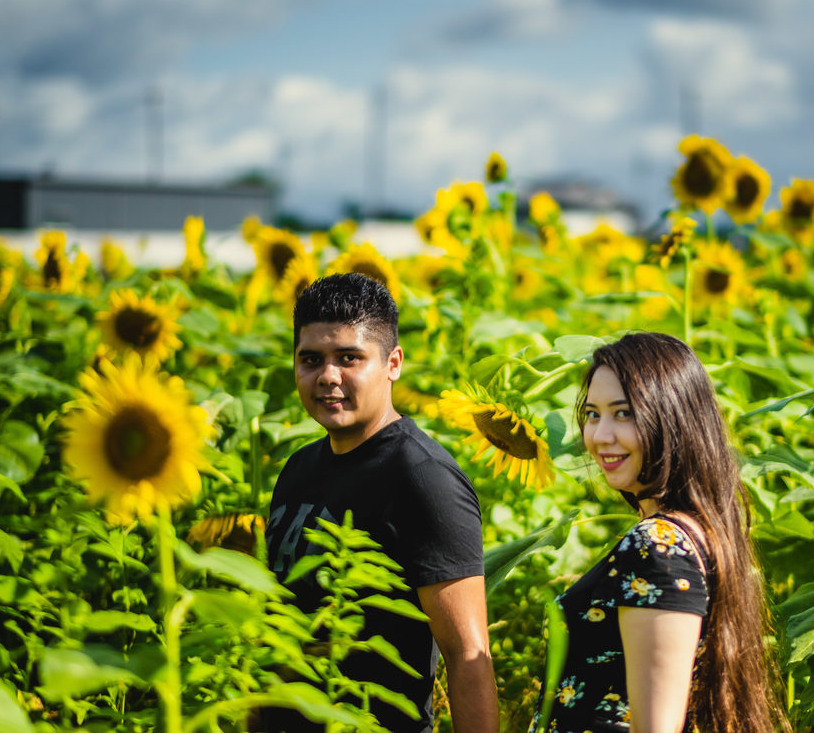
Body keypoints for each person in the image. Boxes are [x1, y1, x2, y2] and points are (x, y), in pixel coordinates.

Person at [264, 273, 498, 733]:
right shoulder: (297, 470)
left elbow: (468, 657)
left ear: (392, 363)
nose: (328, 376)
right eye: (311, 359)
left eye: (349, 358)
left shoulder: (421, 477)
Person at [536, 332, 786, 733]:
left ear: (671, 418)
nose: (600, 436)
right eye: (593, 414)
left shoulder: (657, 545)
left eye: (624, 413)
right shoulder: (696, 532)